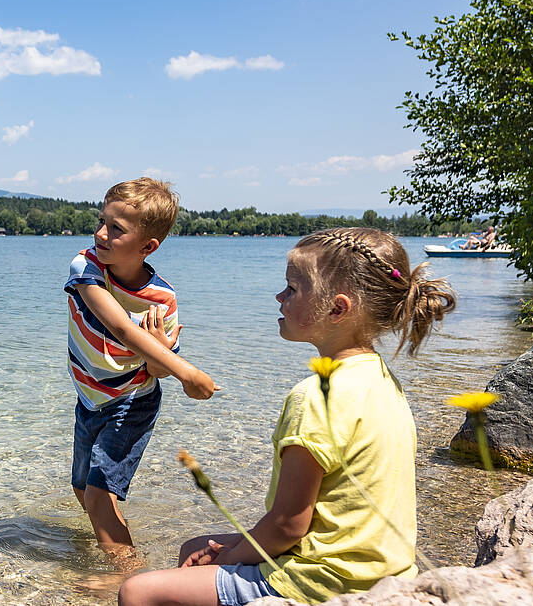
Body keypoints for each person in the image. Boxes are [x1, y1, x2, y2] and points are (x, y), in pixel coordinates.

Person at [117, 227, 457, 606]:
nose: (279, 297)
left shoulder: (314, 397)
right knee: (194, 547)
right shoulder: (381, 379)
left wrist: (230, 557)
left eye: (292, 289)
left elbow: (288, 525)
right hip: (382, 570)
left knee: (138, 591)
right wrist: (228, 551)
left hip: (324, 582)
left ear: (338, 309)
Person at [66, 177, 220, 568]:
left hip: (132, 401)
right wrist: (186, 371)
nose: (101, 233)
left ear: (148, 246)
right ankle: (119, 544)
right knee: (83, 489)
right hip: (91, 397)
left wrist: (165, 357)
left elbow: (154, 370)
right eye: (102, 220)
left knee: (100, 496)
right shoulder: (87, 266)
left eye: (116, 228)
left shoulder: (163, 299)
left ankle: (126, 574)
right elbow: (120, 327)